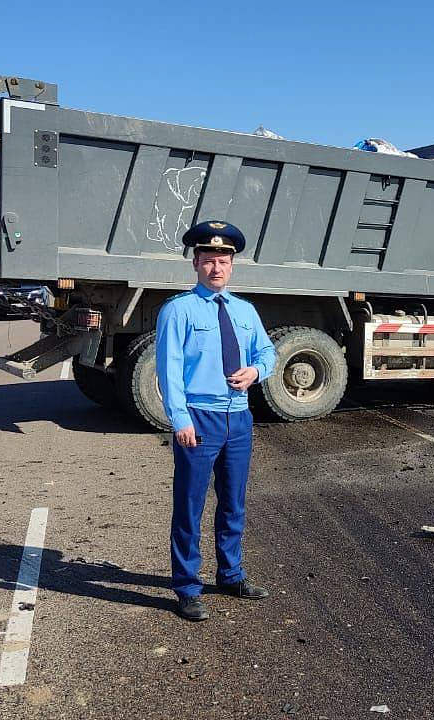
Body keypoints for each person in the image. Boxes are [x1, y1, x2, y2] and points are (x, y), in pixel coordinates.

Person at [156, 220, 277, 621]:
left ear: (232, 264)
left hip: (238, 420)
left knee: (233, 504)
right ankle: (188, 587)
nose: (216, 268)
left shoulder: (245, 311)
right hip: (199, 420)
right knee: (189, 507)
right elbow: (169, 370)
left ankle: (231, 573)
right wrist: (180, 419)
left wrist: (256, 372)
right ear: (195, 264)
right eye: (208, 261)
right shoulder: (178, 311)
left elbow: (268, 354)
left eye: (223, 260)